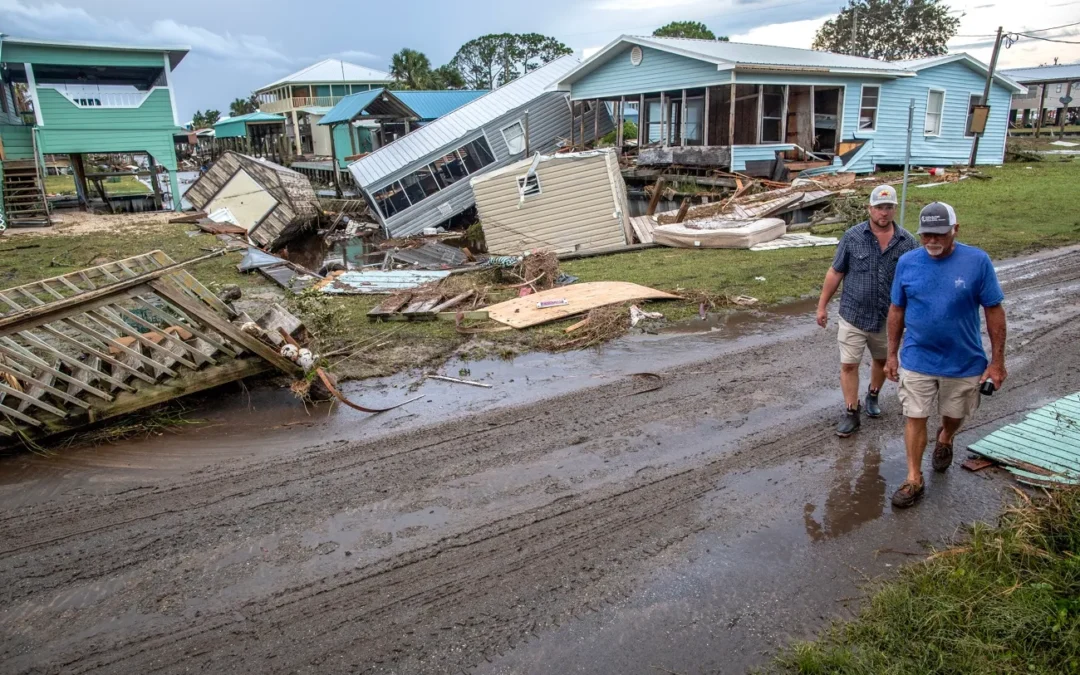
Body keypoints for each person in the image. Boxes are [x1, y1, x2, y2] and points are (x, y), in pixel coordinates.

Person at [885, 202, 1007, 508]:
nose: (931, 241)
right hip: (917, 358)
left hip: (963, 361)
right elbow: (896, 309)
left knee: (954, 415)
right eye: (926, 234)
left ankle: (946, 437)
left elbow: (994, 309)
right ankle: (914, 478)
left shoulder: (977, 261)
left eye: (938, 234)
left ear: (956, 229)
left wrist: (997, 362)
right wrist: (891, 354)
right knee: (914, 416)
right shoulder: (908, 262)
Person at [817, 185, 918, 437]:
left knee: (882, 361)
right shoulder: (852, 237)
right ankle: (852, 412)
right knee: (849, 364)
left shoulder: (908, 242)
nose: (884, 213)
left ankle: (873, 394)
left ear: (895, 209)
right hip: (853, 314)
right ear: (870, 209)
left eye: (889, 207)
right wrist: (822, 305)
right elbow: (836, 271)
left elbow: (916, 280)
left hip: (888, 318)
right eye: (879, 207)